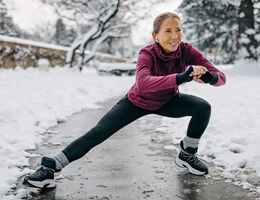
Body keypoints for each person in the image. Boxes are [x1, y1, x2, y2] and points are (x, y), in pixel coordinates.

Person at [23, 12, 226, 188]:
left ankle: (187, 154)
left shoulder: (187, 50)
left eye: (178, 30)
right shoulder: (147, 53)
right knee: (98, 132)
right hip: (136, 102)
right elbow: (143, 83)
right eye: (168, 31)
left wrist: (209, 77)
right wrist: (181, 77)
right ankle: (50, 167)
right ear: (155, 36)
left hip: (167, 101)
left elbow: (221, 78)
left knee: (202, 107)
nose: (175, 36)